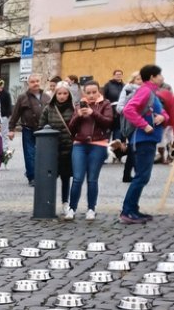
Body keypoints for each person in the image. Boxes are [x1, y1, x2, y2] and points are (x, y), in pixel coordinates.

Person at [120, 64, 168, 224]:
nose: (162, 77)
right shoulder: (146, 90)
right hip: (142, 140)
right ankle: (127, 212)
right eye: (160, 75)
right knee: (141, 177)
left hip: (148, 139)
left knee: (142, 177)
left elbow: (161, 111)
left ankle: (133, 209)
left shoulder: (152, 92)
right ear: (153, 77)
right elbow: (128, 110)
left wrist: (163, 117)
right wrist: (145, 125)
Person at [65, 81, 113, 221]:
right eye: (88, 92)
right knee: (77, 178)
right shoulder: (79, 105)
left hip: (98, 144)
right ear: (84, 93)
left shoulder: (105, 104)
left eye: (94, 92)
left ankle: (91, 209)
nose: (91, 95)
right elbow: (71, 129)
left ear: (99, 92)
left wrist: (94, 113)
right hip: (79, 144)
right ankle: (72, 208)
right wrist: (78, 115)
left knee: (92, 179)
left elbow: (108, 122)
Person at [39, 81, 75, 215]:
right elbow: (41, 125)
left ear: (68, 94)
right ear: (55, 94)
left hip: (68, 148)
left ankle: (65, 202)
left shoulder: (73, 108)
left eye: (65, 93)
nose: (62, 96)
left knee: (66, 178)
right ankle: (48, 202)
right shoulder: (49, 108)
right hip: (52, 149)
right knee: (50, 178)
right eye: (59, 93)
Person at [9, 74, 49, 186]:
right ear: (28, 83)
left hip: (43, 130)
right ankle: (32, 177)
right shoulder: (22, 97)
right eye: (32, 81)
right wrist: (11, 128)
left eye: (37, 81)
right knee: (29, 154)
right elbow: (15, 113)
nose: (35, 83)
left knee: (42, 154)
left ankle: (41, 174)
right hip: (28, 129)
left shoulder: (46, 97)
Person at [116, 71, 143, 182]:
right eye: (138, 79)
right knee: (133, 148)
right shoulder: (128, 89)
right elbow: (119, 107)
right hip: (131, 123)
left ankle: (128, 175)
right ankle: (134, 175)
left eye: (142, 79)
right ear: (133, 80)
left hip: (142, 123)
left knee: (135, 149)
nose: (140, 81)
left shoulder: (147, 91)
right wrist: (131, 111)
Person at [102, 69, 125, 141]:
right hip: (110, 110)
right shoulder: (108, 85)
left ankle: (117, 147)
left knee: (118, 130)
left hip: (120, 112)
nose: (118, 76)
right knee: (108, 130)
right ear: (113, 76)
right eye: (117, 74)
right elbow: (103, 96)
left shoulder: (124, 86)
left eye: (120, 74)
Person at [0, 79, 13, 150]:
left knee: (4, 133)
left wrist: (8, 115)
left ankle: (4, 148)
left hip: (4, 115)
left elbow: (9, 105)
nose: (1, 89)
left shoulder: (6, 94)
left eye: (2, 87)